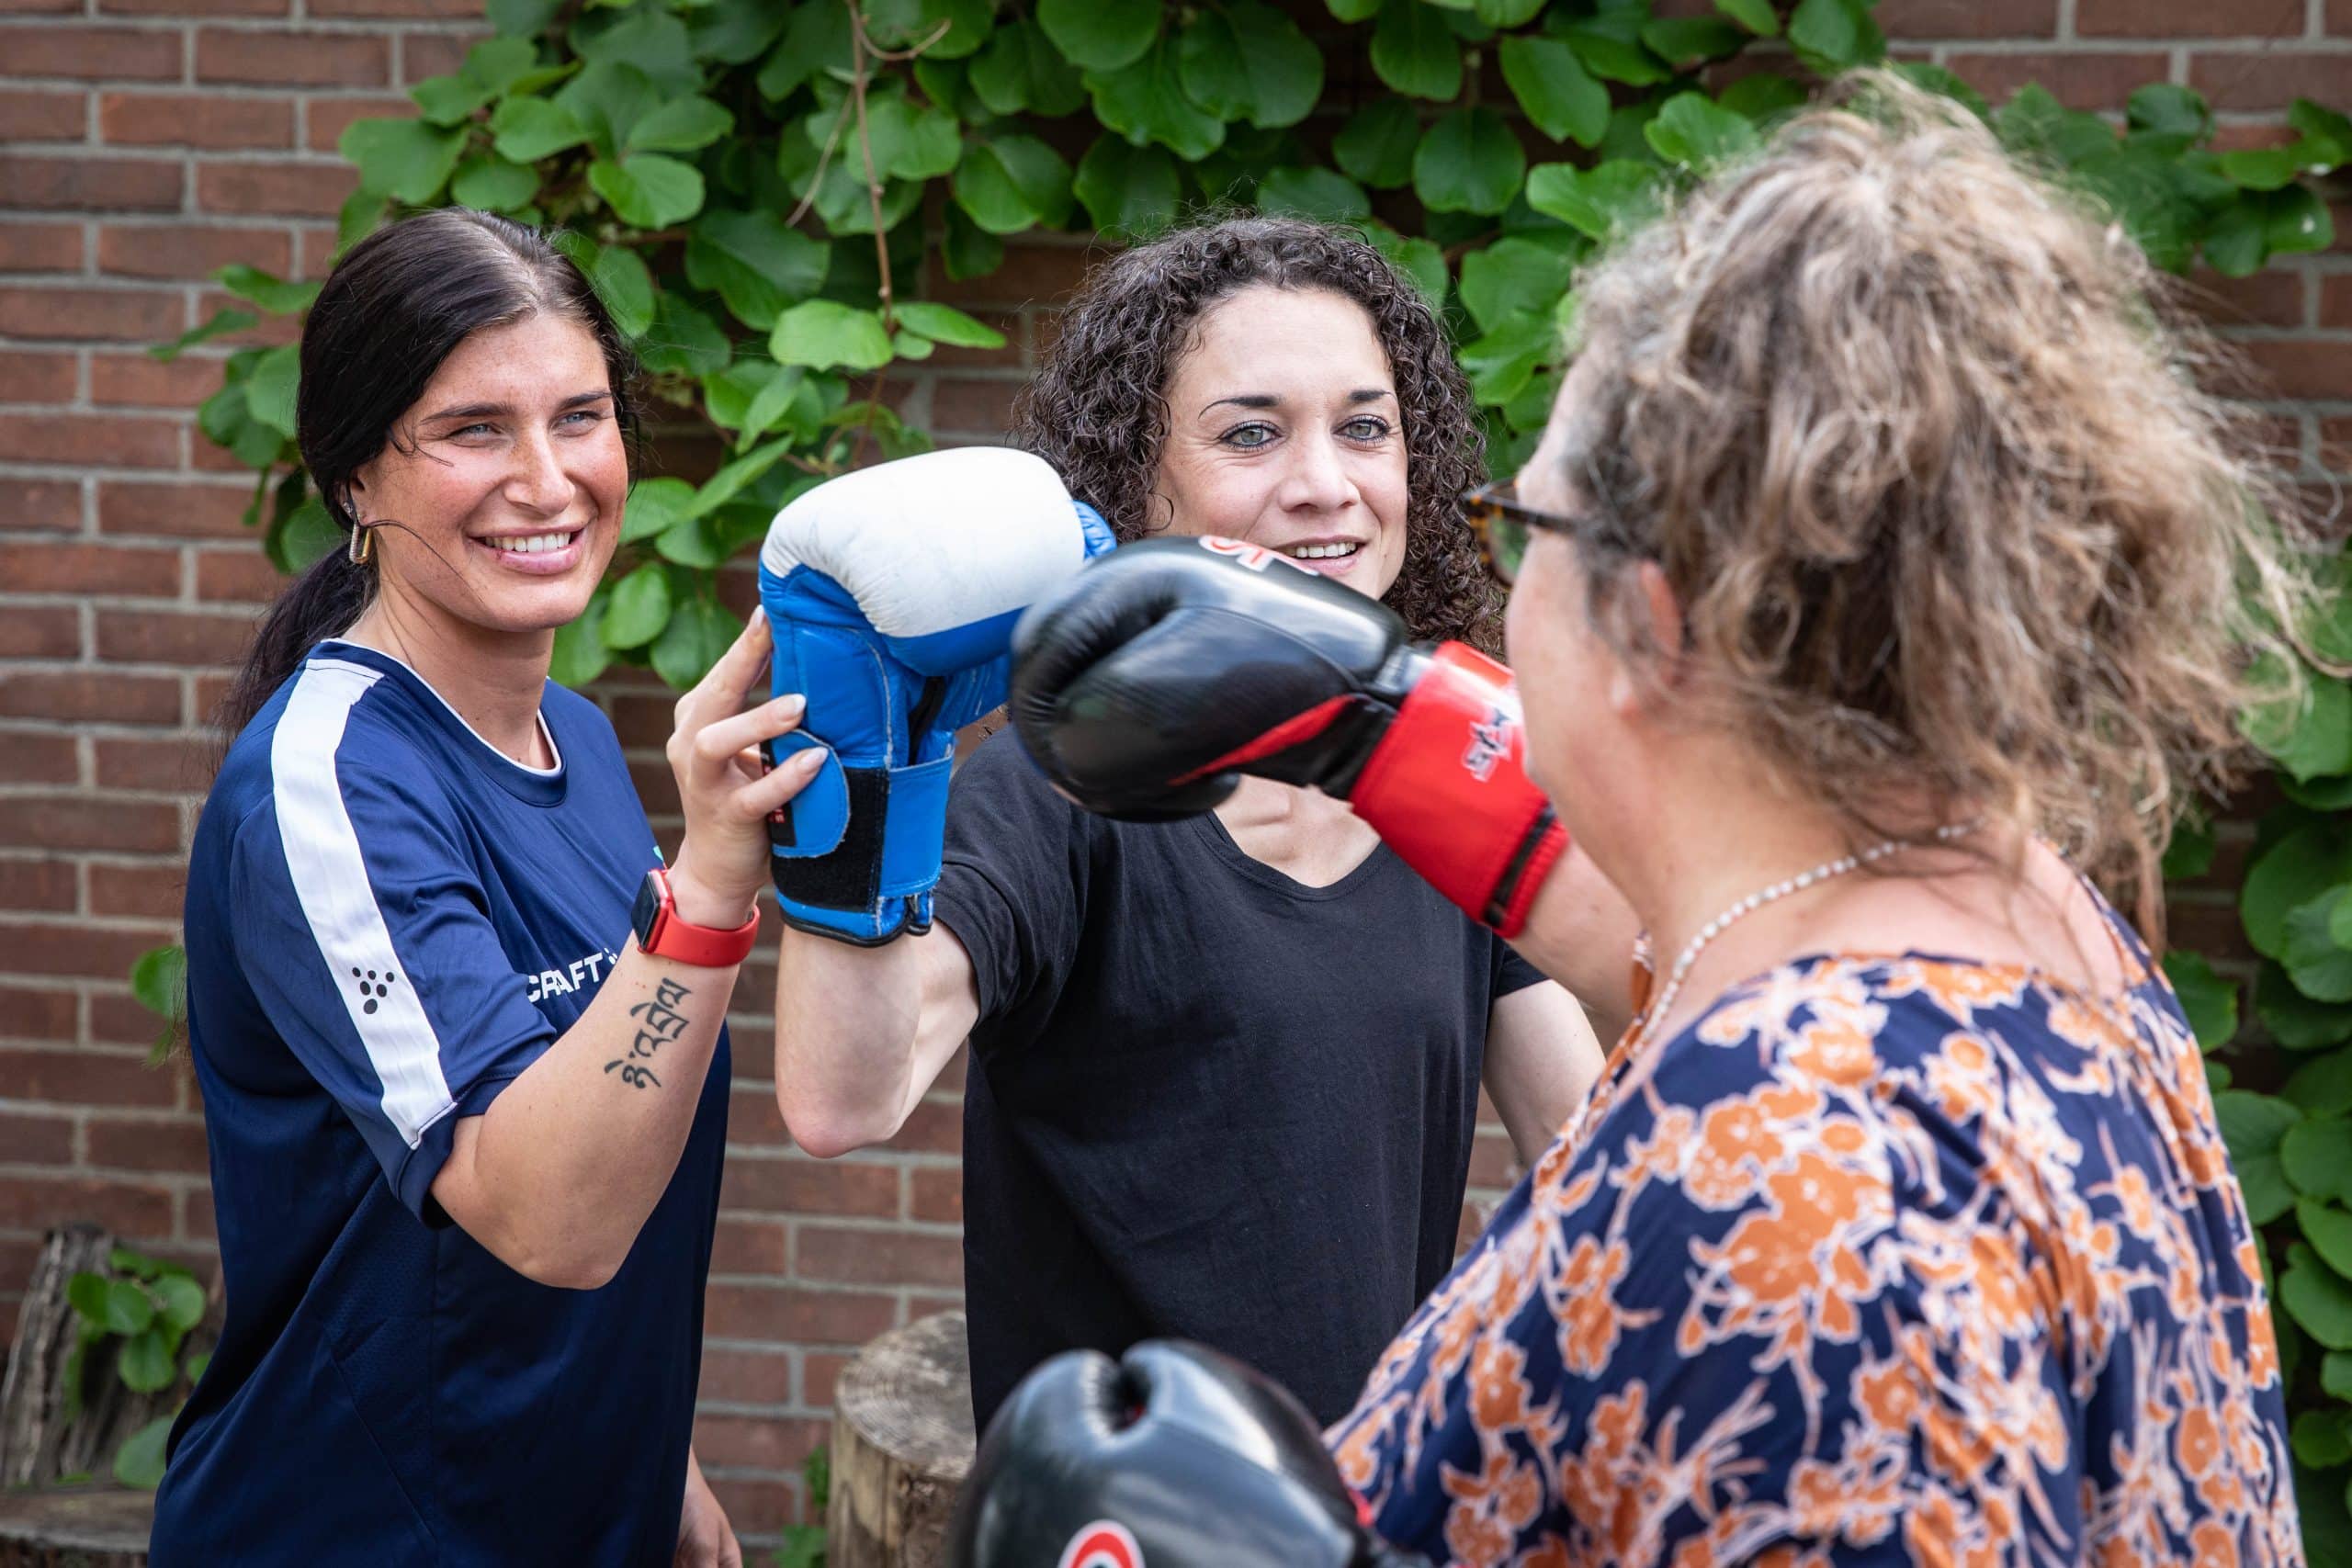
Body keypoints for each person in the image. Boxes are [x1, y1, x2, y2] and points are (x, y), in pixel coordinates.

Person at [987, 76, 2302, 1564]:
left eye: (1525, 527)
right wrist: (1364, 727)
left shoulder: (1797, 1207)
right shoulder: (2028, 921)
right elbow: (1688, 942)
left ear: (1657, 624)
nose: (1486, 587)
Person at [769, 216, 1611, 1432]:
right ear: (1140, 481)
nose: (1327, 482)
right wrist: (866, 788)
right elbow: (841, 1101)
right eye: (1251, 433)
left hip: (1363, 1517)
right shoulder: (1056, 797)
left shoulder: (1440, 774)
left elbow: (1589, 1165)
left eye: (1365, 426)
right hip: (1125, 1529)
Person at [154, 209, 820, 1565]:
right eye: (472, 431)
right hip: (367, 1532)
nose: (548, 479)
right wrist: (709, 889)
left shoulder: (569, 735)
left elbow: (598, 1101)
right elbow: (544, 1216)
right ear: (352, 475)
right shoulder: (331, 783)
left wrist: (652, 1451)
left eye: (580, 416)